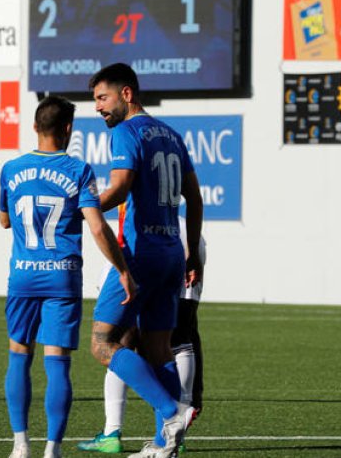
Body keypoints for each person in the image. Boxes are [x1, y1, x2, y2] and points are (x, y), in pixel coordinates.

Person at [0, 96, 137, 458]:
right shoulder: (78, 170)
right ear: (69, 129)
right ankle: (52, 449)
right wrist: (122, 269)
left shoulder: (11, 169)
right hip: (62, 277)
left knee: (19, 355)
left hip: (23, 275)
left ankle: (20, 445)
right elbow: (97, 227)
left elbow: (4, 220)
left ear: (34, 127)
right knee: (57, 361)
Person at [85, 63, 202, 458]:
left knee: (102, 343)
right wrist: (192, 251)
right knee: (158, 350)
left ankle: (173, 412)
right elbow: (195, 198)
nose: (98, 107)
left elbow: (119, 188)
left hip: (141, 256)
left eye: (102, 98)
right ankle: (165, 445)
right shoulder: (171, 135)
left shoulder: (125, 132)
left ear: (127, 94)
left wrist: (84, 206)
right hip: (171, 254)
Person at [79, 225, 207, 454]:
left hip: (139, 243)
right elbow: (195, 203)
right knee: (176, 336)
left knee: (111, 341)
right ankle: (170, 438)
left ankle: (113, 432)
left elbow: (99, 218)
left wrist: (85, 206)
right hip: (178, 238)